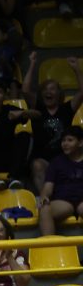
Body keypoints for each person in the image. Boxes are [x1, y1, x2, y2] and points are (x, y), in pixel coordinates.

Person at [24, 54, 83, 192]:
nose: (48, 92)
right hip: (42, 159)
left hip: (65, 158)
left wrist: (76, 69)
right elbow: (25, 90)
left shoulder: (67, 109)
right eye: (45, 89)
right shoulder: (37, 107)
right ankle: (44, 200)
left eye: (52, 89)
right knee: (37, 165)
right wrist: (32, 64)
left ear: (59, 93)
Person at [38, 126, 83, 237]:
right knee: (45, 209)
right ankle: (50, 246)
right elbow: (48, 187)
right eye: (63, 140)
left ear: (80, 143)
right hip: (63, 202)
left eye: (70, 140)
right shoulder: (56, 162)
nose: (65, 144)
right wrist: (44, 197)